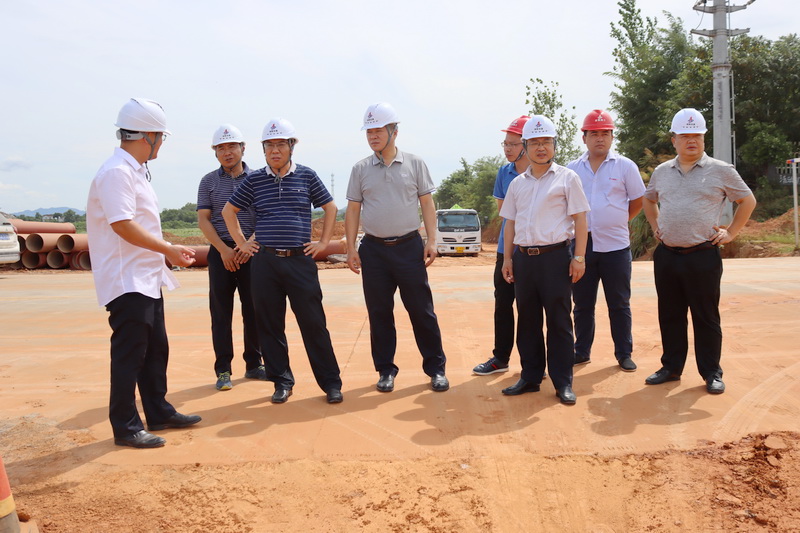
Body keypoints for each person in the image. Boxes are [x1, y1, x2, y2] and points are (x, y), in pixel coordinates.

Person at [87, 98, 201, 448]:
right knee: (130, 354)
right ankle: (125, 426)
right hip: (127, 281)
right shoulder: (116, 173)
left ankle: (158, 410)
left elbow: (140, 224)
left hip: (146, 278)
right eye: (161, 137)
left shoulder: (134, 171)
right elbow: (122, 224)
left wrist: (165, 250)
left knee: (155, 350)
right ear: (148, 136)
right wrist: (167, 249)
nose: (162, 143)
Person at [222, 118, 343, 404]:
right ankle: (281, 382)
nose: (274, 151)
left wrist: (323, 243)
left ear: (291, 147)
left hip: (300, 262)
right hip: (265, 263)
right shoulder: (254, 180)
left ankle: (331, 383)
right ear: (263, 149)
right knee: (270, 326)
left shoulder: (307, 176)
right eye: (269, 145)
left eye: (280, 145)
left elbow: (330, 207)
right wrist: (242, 243)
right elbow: (229, 211)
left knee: (314, 323)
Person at [642, 108, 756, 394]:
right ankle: (671, 367)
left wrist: (731, 233)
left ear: (704, 138)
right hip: (667, 256)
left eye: (697, 135)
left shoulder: (721, 170)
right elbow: (649, 200)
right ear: (674, 140)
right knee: (670, 315)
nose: (691, 140)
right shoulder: (662, 172)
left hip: (703, 255)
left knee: (706, 316)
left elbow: (747, 201)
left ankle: (711, 372)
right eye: (685, 136)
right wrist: (656, 225)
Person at [345, 102, 449, 393]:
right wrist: (351, 248)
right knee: (379, 313)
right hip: (374, 250)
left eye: (378, 130)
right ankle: (385, 370)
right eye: (369, 132)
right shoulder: (360, 169)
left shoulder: (415, 163)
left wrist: (432, 240)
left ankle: (436, 369)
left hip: (408, 248)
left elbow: (427, 203)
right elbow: (352, 210)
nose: (373, 136)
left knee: (422, 311)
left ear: (394, 131)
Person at [499, 115, 589, 405]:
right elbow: (510, 223)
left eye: (546, 142)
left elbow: (580, 220)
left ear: (554, 145)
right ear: (525, 146)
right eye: (535, 142)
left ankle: (563, 382)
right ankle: (530, 376)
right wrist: (508, 259)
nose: (541, 148)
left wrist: (579, 257)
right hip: (524, 260)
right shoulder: (517, 184)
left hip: (556, 259)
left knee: (559, 321)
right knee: (527, 321)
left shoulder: (568, 178)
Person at [566, 110, 645, 372]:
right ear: (584, 137)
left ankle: (624, 353)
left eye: (605, 133)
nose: (600, 138)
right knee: (582, 304)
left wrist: (619, 219)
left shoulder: (625, 166)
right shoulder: (572, 170)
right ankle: (581, 351)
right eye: (594, 134)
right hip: (582, 246)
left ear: (612, 137)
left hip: (616, 246)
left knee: (619, 303)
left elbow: (638, 200)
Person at [197, 124, 265, 391]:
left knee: (254, 310)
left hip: (253, 251)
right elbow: (204, 220)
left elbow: (266, 215)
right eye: (221, 148)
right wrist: (224, 250)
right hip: (221, 252)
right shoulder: (208, 182)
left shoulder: (259, 178)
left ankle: (254, 364)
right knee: (221, 312)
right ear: (215, 152)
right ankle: (223, 369)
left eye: (232, 146)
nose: (227, 152)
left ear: (243, 148)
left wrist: (248, 245)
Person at [472, 116, 530, 376]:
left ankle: (533, 362)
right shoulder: (503, 173)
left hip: (534, 251)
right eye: (505, 144)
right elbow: (504, 212)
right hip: (506, 251)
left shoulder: (544, 172)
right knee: (503, 305)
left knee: (531, 309)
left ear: (526, 145)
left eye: (513, 144)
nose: (507, 149)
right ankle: (500, 358)